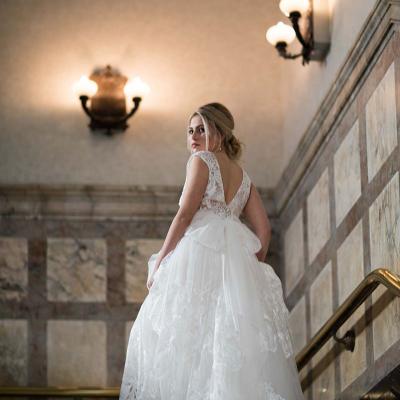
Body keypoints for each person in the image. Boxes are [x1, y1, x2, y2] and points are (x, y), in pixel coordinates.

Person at [119, 103, 305, 399]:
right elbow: (264, 230)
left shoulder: (201, 160)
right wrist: (249, 268)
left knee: (188, 340)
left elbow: (184, 215)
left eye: (201, 129)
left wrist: (161, 262)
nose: (193, 137)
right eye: (190, 131)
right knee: (226, 339)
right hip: (234, 257)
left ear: (219, 132)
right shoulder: (244, 177)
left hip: (199, 253)